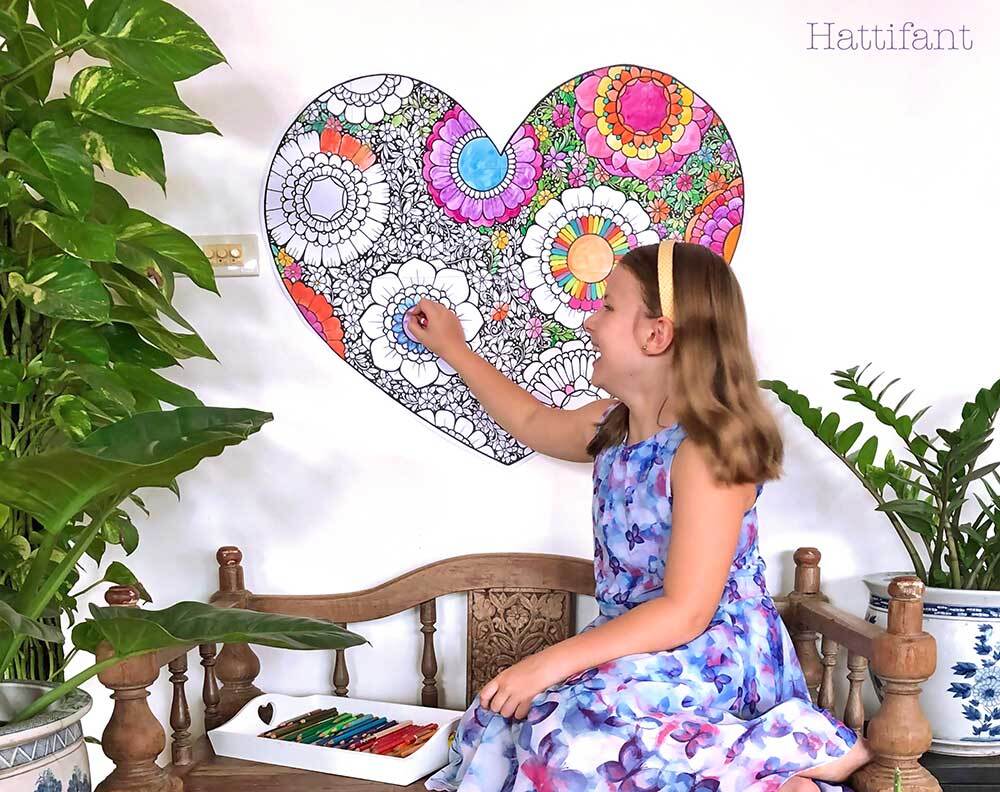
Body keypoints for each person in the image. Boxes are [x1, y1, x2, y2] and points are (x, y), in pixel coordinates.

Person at [403, 240, 872, 791]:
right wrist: (453, 348)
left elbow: (685, 612)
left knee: (569, 733)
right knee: (504, 719)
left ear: (656, 335)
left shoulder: (705, 452)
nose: (589, 321)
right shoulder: (612, 426)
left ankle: (793, 748)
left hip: (712, 654)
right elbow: (530, 420)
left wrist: (545, 663)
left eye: (606, 307)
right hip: (638, 648)